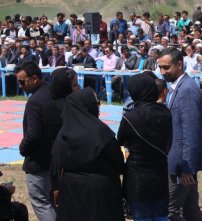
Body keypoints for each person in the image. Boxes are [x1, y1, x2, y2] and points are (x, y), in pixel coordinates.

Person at [158, 47, 202, 221]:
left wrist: (187, 168)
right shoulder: (178, 87)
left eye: (166, 67)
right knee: (190, 209)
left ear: (179, 65)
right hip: (181, 162)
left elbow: (191, 132)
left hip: (182, 165)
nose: (162, 72)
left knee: (170, 210)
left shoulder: (187, 89)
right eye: (160, 67)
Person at [51, 88, 124, 221]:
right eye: (96, 103)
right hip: (101, 192)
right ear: (87, 105)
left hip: (71, 191)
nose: (99, 106)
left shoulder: (62, 134)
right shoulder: (101, 132)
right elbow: (118, 162)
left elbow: (56, 165)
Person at [118, 74, 173, 221]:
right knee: (160, 215)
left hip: (138, 174)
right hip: (160, 170)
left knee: (142, 216)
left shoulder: (130, 117)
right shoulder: (166, 113)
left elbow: (121, 140)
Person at [15, 61, 57, 221]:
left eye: (21, 82)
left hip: (39, 162)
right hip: (55, 158)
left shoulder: (34, 102)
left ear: (33, 79)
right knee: (53, 201)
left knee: (41, 202)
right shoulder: (52, 92)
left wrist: (23, 148)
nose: (20, 86)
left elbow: (33, 135)